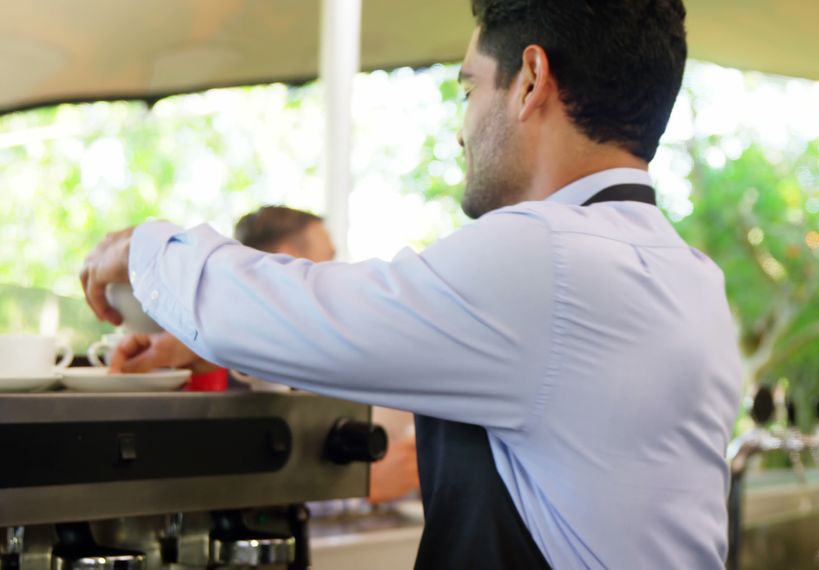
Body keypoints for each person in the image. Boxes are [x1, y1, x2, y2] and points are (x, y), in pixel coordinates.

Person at [81, 1, 743, 567]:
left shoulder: (548, 258)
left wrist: (144, 249)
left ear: (530, 80)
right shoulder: (684, 275)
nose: (462, 131)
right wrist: (214, 352)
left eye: (468, 88)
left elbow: (321, 311)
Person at [110, 206, 420, 505]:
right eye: (328, 261)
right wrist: (365, 489)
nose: (336, 275)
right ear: (290, 262)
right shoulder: (213, 380)